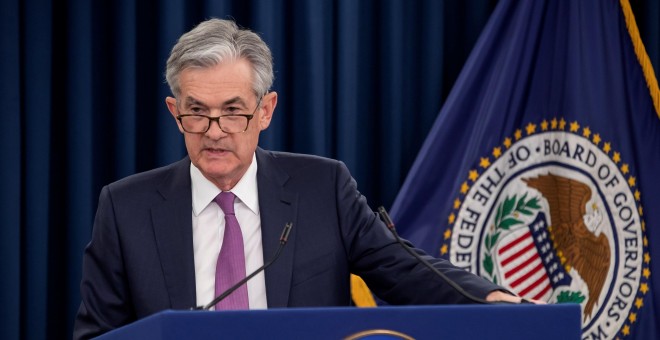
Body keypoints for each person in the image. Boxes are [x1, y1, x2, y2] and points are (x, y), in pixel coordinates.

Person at [73, 18, 527, 339]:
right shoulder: (126, 208)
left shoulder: (322, 188)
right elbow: (98, 333)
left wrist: (487, 299)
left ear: (265, 110)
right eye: (197, 113)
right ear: (175, 113)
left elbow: (404, 270)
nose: (214, 132)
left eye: (233, 112)